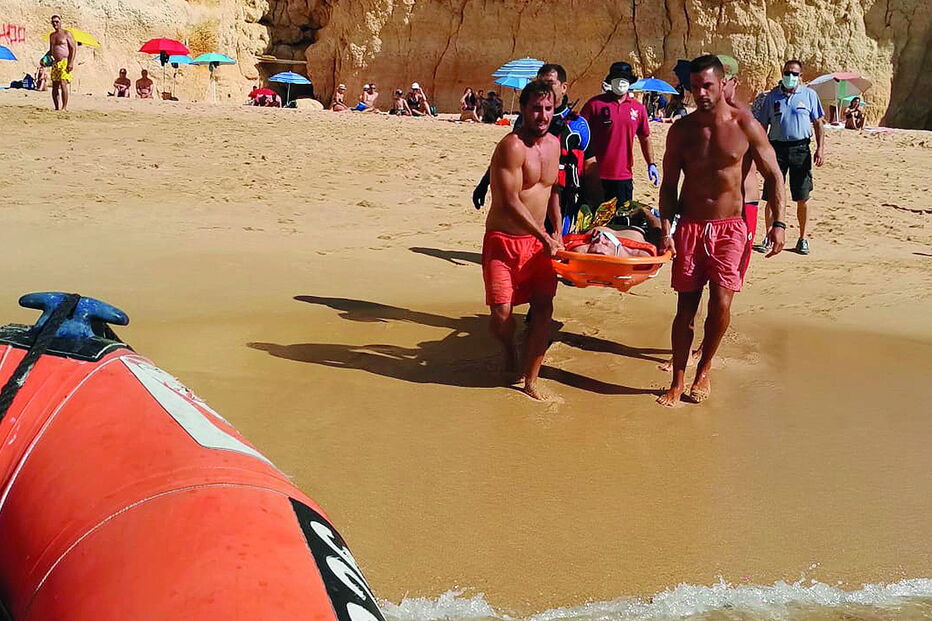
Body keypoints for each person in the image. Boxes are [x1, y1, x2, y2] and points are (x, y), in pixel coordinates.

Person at [656, 55, 786, 407]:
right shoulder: (681, 131)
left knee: (722, 302)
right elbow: (669, 185)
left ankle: (704, 369)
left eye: (707, 86)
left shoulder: (745, 124)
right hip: (692, 226)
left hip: (731, 227)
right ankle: (678, 379)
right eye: (695, 86)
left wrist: (778, 222)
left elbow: (773, 173)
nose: (700, 93)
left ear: (722, 83)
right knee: (686, 307)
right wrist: (666, 227)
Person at [483, 80, 563, 401]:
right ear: (524, 109)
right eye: (536, 108)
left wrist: (556, 229)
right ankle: (508, 348)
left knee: (544, 309)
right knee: (502, 315)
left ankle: (530, 378)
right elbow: (509, 200)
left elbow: (552, 189)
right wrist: (544, 234)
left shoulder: (555, 144)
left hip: (538, 245)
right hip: (504, 241)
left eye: (548, 108)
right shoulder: (512, 146)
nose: (542, 115)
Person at [473, 63, 591, 236]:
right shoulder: (526, 119)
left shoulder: (577, 125)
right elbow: (506, 158)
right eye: (540, 82)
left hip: (563, 199)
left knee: (558, 246)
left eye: (550, 83)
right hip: (525, 206)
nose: (544, 88)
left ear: (564, 87)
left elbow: (589, 164)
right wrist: (484, 183)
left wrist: (590, 201)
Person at [753, 59, 825, 256]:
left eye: (794, 74)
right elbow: (762, 126)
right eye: (787, 72)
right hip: (775, 149)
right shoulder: (772, 97)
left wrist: (820, 149)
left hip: (801, 149)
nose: (790, 77)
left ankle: (803, 238)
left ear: (801, 77)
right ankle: (769, 236)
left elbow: (818, 122)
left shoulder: (809, 95)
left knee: (802, 195)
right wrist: (760, 152)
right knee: (770, 195)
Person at [581, 61, 659, 208]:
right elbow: (580, 133)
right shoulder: (594, 104)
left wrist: (651, 164)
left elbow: (645, 138)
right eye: (617, 78)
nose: (621, 82)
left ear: (630, 82)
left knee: (621, 223)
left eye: (624, 78)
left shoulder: (638, 108)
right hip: (595, 175)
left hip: (623, 176)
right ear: (610, 81)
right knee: (592, 224)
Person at [46, 15, 76, 111]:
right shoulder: (52, 36)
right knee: (55, 85)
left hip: (64, 61)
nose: (55, 24)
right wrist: (44, 58)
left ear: (60, 22)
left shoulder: (67, 34)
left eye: (57, 21)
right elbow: (51, 50)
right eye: (53, 22)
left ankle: (64, 107)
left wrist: (70, 62)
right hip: (55, 62)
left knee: (63, 83)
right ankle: (56, 107)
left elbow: (73, 48)